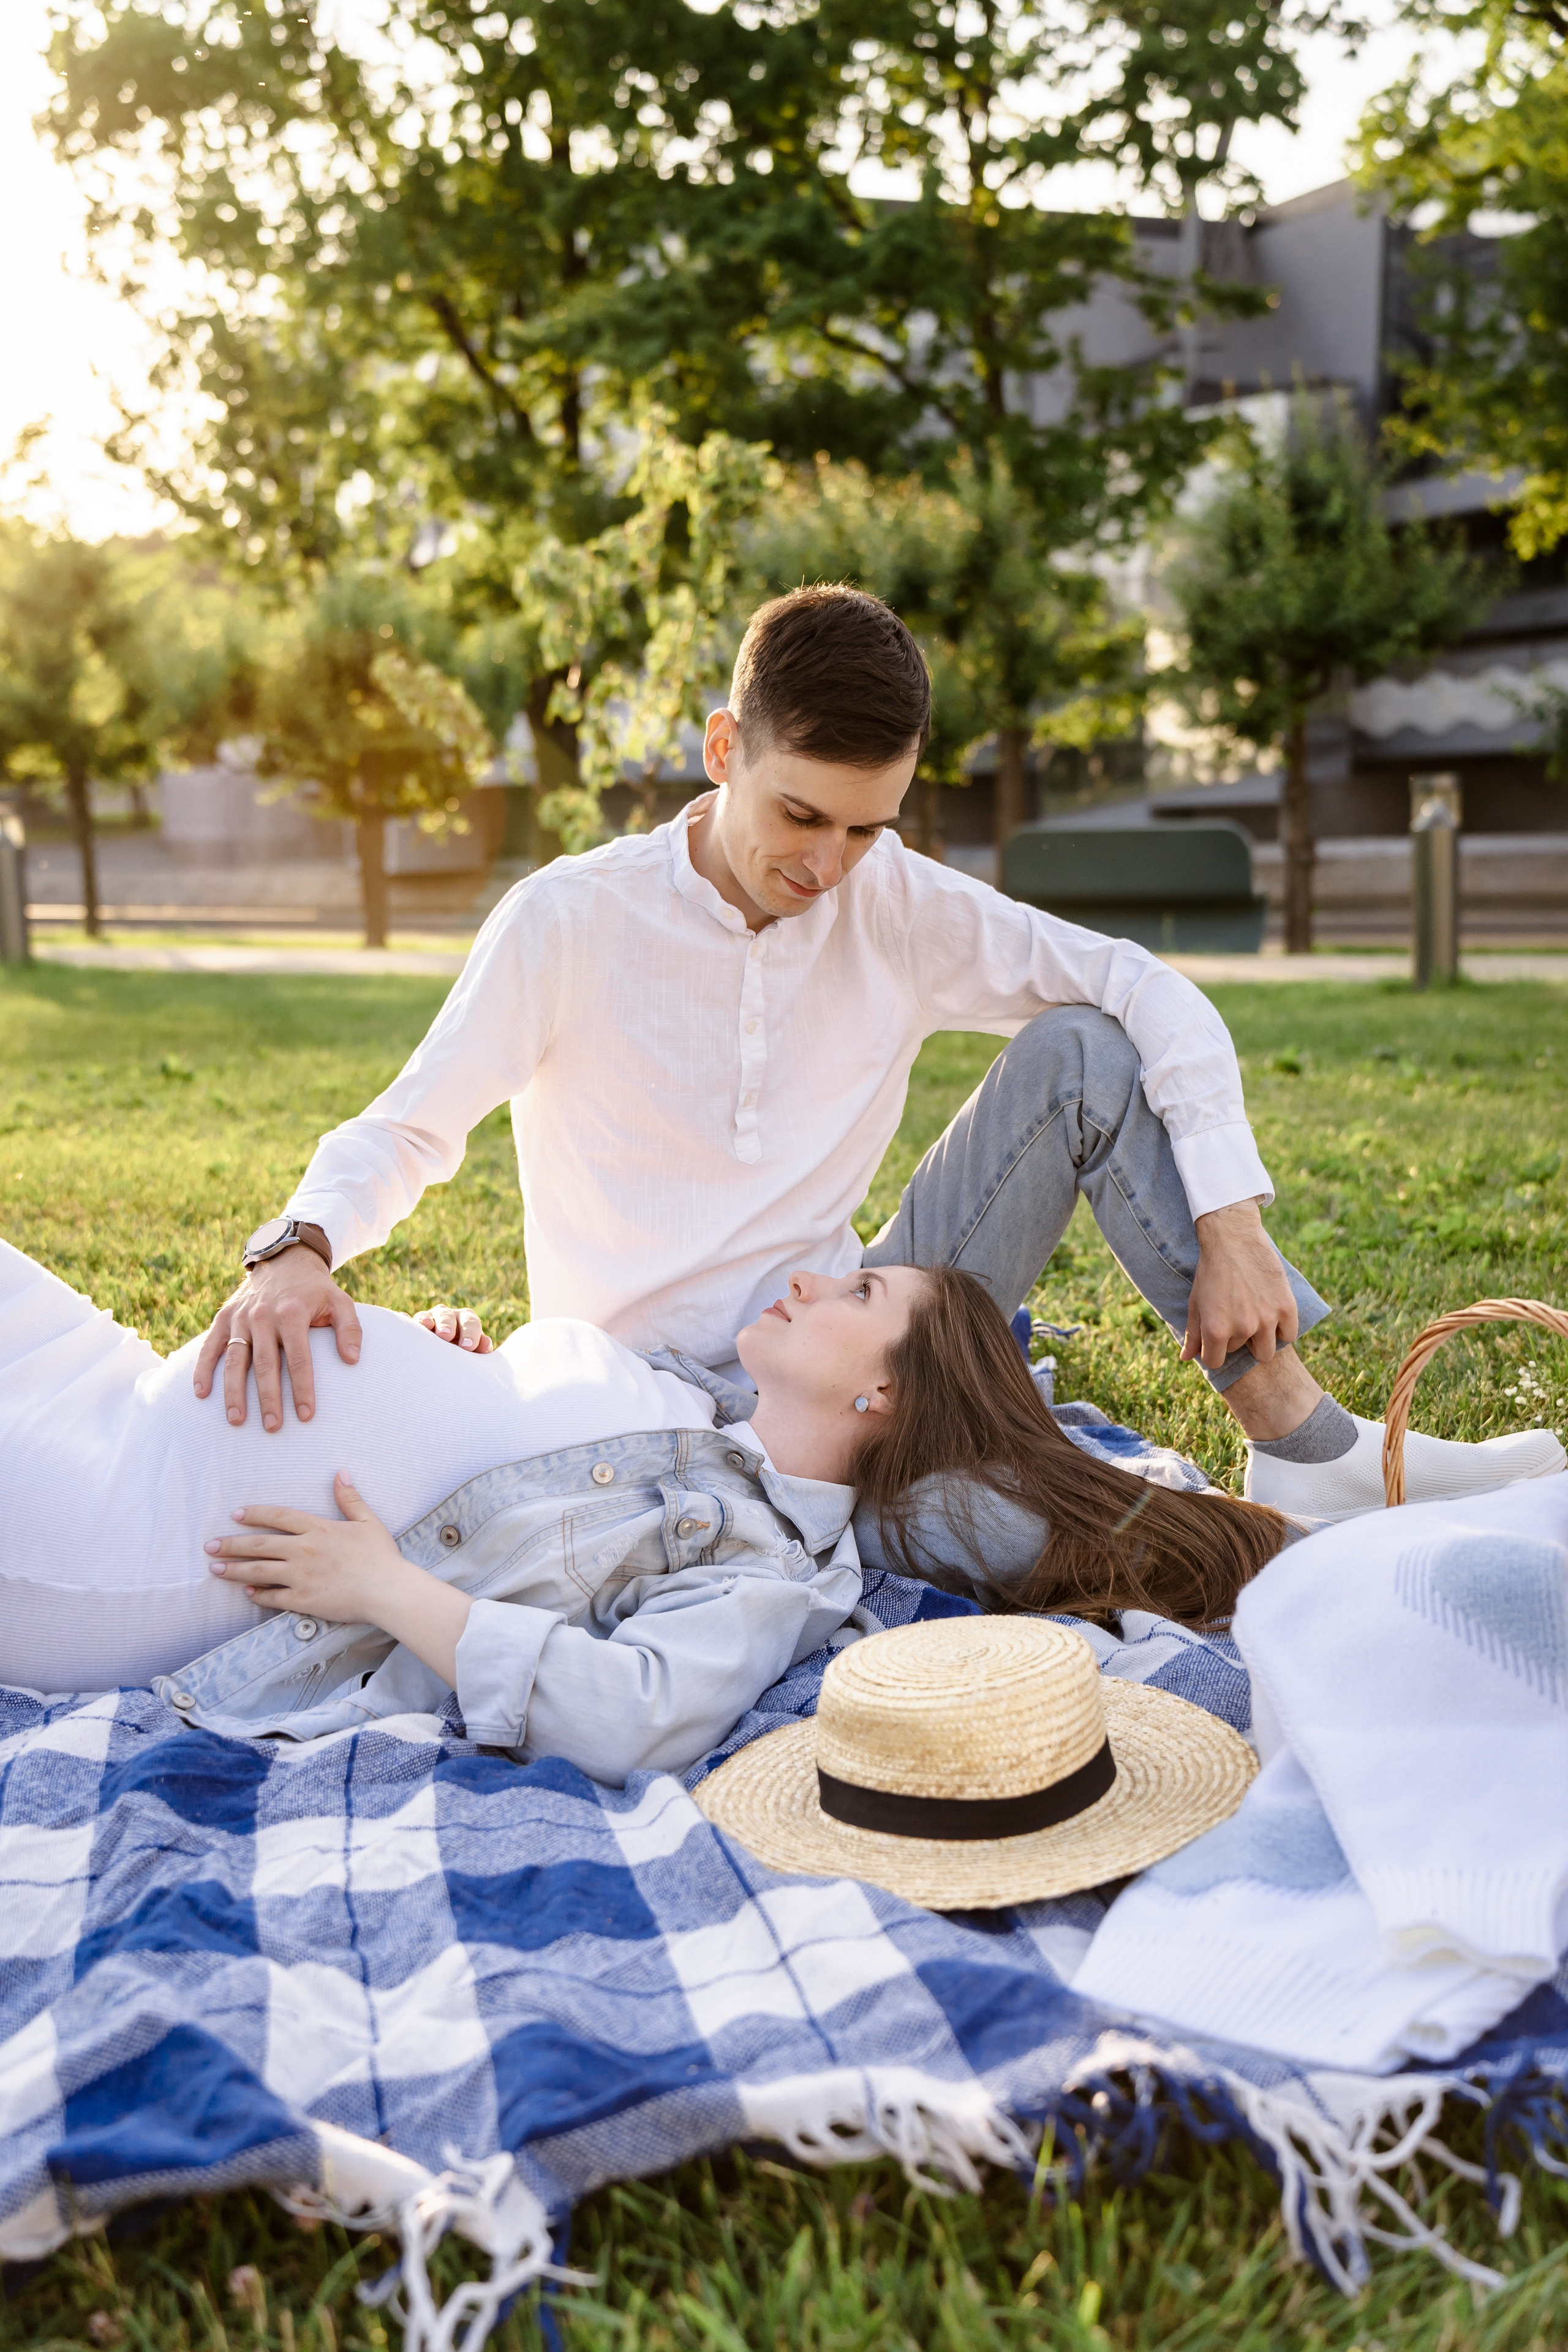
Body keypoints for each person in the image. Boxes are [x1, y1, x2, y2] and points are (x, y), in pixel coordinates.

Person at [192, 587, 1561, 1526]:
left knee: (1082, 1047)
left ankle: (1298, 1447)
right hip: (641, 1413)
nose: (827, 864)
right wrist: (295, 1242)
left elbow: (1145, 989)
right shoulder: (567, 918)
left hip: (855, 1359)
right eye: (800, 815)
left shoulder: (889, 898)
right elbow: (410, 1128)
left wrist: (1231, 1215)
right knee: (1010, 1549)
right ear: (723, 748)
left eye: (866, 827)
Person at [0, 1238, 1285, 1782]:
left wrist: (389, 1590)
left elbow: (631, 1713)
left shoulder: (770, 1564)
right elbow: (516, 1475)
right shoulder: (690, 1416)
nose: (810, 1278)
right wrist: (458, 1362)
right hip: (126, 1383)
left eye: (855, 1290)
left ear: (884, 1390)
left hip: (131, 1543)